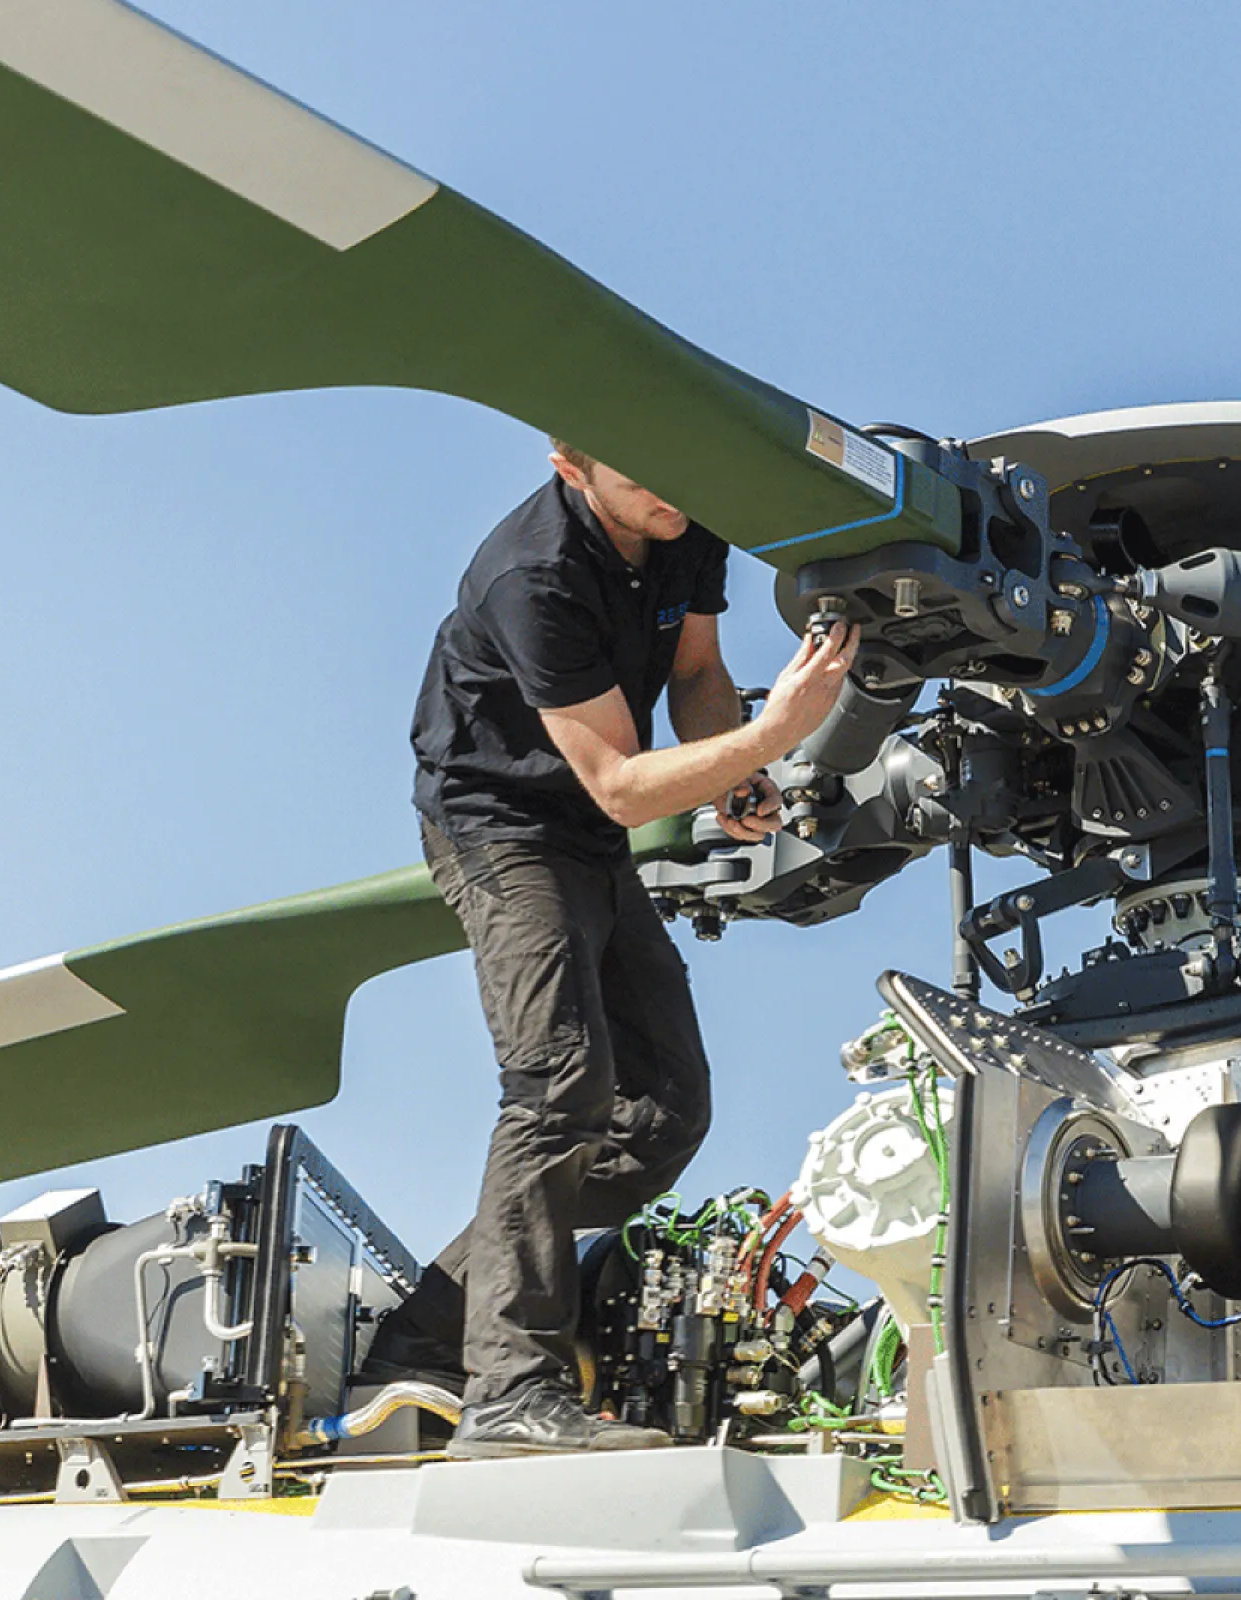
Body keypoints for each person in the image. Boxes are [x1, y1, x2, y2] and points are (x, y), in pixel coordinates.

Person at [368, 439, 859, 1457]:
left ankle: (424, 1340)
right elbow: (625, 787)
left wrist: (731, 769)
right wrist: (774, 735)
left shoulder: (682, 518)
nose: (672, 491)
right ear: (571, 467)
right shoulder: (531, 577)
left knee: (665, 1110)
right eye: (641, 476)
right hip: (501, 829)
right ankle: (510, 1390)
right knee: (557, 1086)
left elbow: (697, 669)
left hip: (587, 833)